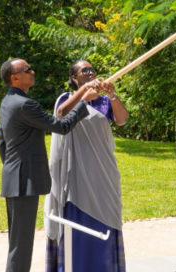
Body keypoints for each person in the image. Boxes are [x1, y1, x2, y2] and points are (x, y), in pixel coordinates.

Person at [0, 58, 98, 272]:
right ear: (15, 78)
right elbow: (61, 126)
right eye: (27, 69)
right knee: (21, 246)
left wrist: (12, 168)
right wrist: (84, 102)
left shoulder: (8, 101)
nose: (32, 71)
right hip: (24, 182)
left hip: (14, 179)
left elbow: (2, 143)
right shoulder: (25, 105)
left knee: (17, 243)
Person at [45, 60, 129, 272]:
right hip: (77, 174)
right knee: (78, 222)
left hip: (104, 172)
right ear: (75, 78)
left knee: (109, 216)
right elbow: (61, 114)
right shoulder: (66, 99)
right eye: (85, 70)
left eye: (92, 69)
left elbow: (122, 120)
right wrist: (83, 95)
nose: (91, 72)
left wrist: (112, 95)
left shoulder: (103, 101)